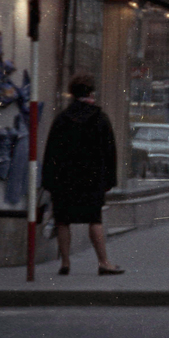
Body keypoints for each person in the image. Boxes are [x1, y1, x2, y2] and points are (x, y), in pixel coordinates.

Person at [41, 75, 123, 275]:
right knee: (95, 220)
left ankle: (65, 263)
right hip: (92, 180)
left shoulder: (62, 119)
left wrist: (49, 181)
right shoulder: (100, 119)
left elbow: (51, 152)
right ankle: (103, 262)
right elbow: (110, 152)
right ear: (91, 94)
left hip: (64, 180)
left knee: (62, 220)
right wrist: (109, 180)